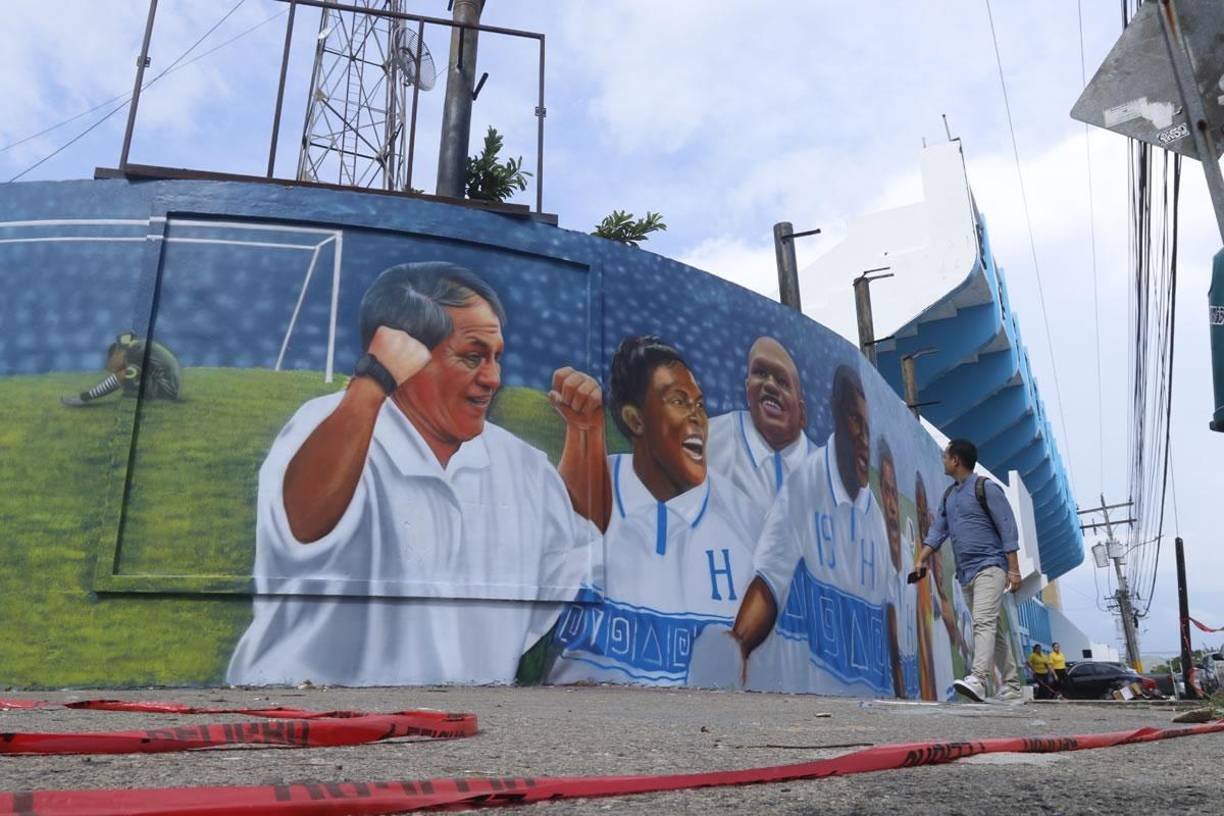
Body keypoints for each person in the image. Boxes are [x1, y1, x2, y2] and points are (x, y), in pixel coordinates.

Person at [227, 262, 608, 687]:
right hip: (310, 723)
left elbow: (582, 539)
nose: (493, 378)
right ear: (405, 355)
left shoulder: (519, 462)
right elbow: (303, 524)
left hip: (462, 730)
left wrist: (585, 433)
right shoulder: (328, 427)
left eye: (496, 357)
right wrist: (372, 382)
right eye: (472, 357)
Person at [548, 335, 763, 687]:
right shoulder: (589, 487)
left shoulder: (745, 521)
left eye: (700, 404)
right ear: (635, 420)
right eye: (679, 401)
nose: (697, 417)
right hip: (572, 735)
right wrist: (581, 430)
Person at [730, 364, 901, 696]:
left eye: (867, 429)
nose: (864, 440)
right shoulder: (805, 484)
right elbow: (767, 581)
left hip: (871, 703)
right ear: (836, 415)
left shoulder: (874, 516)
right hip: (815, 705)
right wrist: (735, 650)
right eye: (855, 422)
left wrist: (905, 698)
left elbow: (889, 614)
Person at [910, 438, 1022, 703]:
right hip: (966, 572)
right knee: (992, 629)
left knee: (982, 622)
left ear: (956, 460)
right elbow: (938, 531)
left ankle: (979, 679)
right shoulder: (949, 496)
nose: (943, 460)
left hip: (991, 567)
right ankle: (1013, 686)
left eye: (946, 456)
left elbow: (1008, 528)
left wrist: (1014, 570)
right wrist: (921, 559)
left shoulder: (986, 489)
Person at [707, 336, 815, 511]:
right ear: (747, 388)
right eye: (761, 373)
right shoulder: (715, 437)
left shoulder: (822, 468)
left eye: (782, 381)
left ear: (802, 414)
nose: (770, 385)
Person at [60, 331, 181, 405]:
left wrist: (120, 375)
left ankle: (85, 397)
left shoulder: (134, 350)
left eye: (112, 365)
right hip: (167, 385)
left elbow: (123, 376)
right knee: (131, 374)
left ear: (117, 353)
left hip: (167, 389)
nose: (114, 370)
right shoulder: (140, 348)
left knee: (128, 372)